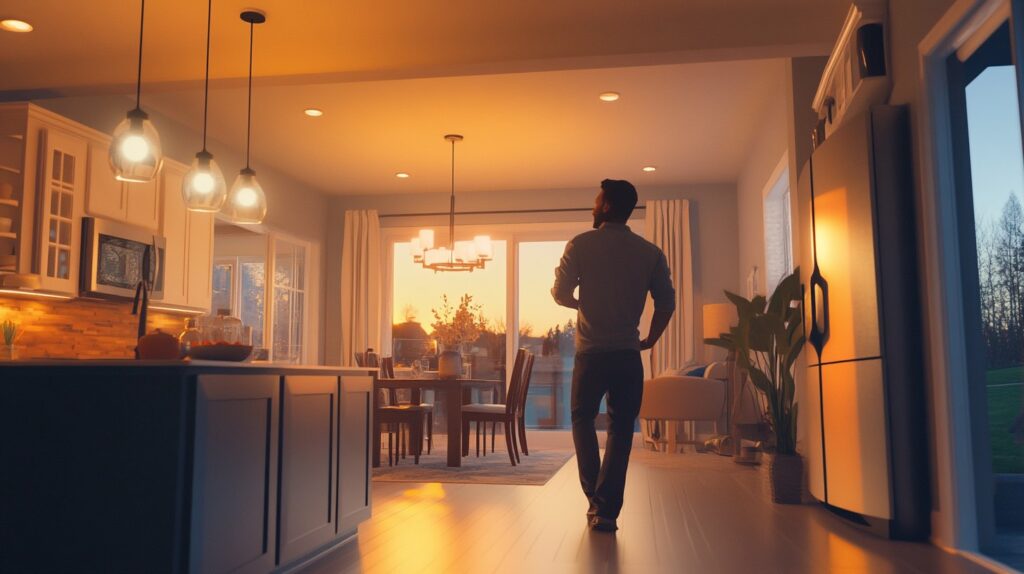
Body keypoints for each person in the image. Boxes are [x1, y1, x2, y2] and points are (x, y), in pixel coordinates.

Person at [551, 179, 675, 532]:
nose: (593, 206)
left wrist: (582, 303)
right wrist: (651, 338)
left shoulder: (581, 244)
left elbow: (560, 293)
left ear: (606, 206)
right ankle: (606, 510)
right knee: (621, 429)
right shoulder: (650, 252)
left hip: (590, 354)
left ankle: (596, 499)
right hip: (626, 355)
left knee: (582, 419)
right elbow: (667, 301)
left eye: (596, 201)